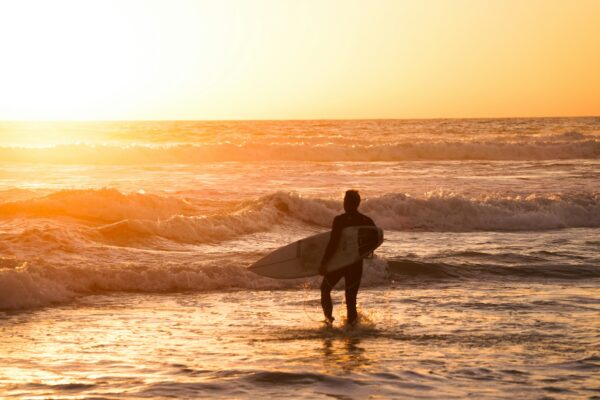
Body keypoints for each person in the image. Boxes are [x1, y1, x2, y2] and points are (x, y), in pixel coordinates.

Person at [319, 190, 375, 326]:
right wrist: (365, 252)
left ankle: (329, 320)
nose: (344, 202)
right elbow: (374, 240)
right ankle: (352, 330)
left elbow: (333, 243)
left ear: (349, 203)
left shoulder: (340, 220)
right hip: (356, 264)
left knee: (325, 289)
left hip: (340, 263)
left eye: (345, 200)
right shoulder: (366, 221)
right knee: (351, 298)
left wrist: (324, 263)